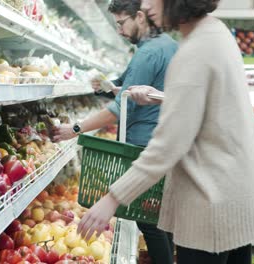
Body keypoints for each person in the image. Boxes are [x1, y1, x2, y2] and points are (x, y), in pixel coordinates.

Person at [77, 0, 254, 264]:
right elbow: (209, 106)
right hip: (239, 196)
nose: (146, 6)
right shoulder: (216, 32)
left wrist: (113, 198)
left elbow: (167, 145)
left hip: (211, 206)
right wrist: (164, 97)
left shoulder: (193, 51)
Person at [52, 0, 178, 263]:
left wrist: (75, 128)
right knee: (158, 220)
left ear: (140, 17)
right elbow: (131, 85)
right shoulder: (164, 45)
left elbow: (118, 109)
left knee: (149, 223)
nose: (119, 31)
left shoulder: (148, 53)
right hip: (161, 141)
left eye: (122, 23)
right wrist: (108, 85)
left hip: (143, 145)